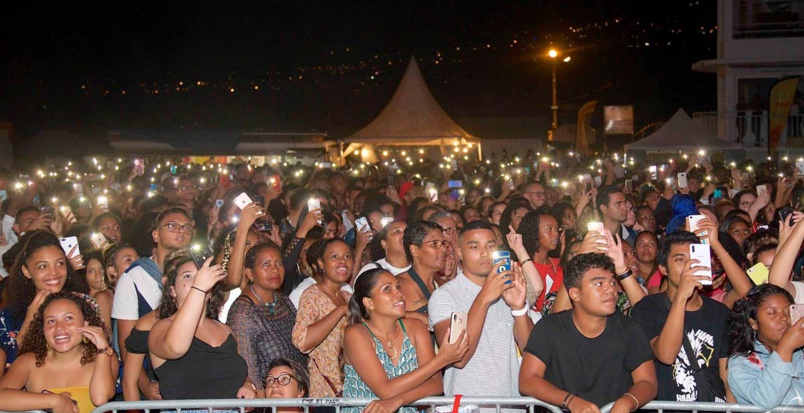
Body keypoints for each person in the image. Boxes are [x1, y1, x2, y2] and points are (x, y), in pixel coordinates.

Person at [519, 253, 657, 410]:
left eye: (612, 283)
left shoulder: (630, 330)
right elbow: (527, 380)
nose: (610, 289)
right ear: (575, 294)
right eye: (599, 284)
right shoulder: (549, 328)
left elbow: (648, 382)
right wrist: (570, 401)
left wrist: (627, 402)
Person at [428, 221, 531, 411]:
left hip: (510, 405)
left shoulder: (510, 289)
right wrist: (484, 297)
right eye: (474, 247)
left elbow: (532, 350)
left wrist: (519, 308)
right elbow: (458, 357)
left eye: (490, 246)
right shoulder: (445, 295)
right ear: (459, 252)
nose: (484, 253)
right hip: (467, 406)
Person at [341, 268, 468, 413]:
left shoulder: (416, 328)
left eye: (398, 287)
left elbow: (436, 384)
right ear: (369, 303)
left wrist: (399, 400)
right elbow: (386, 391)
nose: (399, 293)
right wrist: (441, 360)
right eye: (387, 289)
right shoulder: (356, 334)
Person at [630, 231, 734, 402]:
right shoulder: (648, 307)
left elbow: (726, 377)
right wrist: (681, 297)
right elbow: (666, 355)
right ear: (663, 268)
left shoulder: (720, 312)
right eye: (680, 260)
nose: (689, 266)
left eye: (694, 259)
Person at [147, 249, 257, 401]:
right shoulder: (161, 328)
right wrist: (198, 288)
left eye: (200, 276)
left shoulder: (224, 329)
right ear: (172, 291)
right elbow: (176, 348)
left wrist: (248, 385)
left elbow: (241, 374)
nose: (197, 279)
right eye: (187, 276)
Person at [0, 291, 118, 413]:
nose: (59, 327)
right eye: (51, 321)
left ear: (85, 323)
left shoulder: (105, 357)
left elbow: (100, 399)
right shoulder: (28, 361)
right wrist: (55, 401)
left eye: (68, 318)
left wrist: (103, 349)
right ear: (43, 329)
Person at [113, 207, 193, 360]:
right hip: (148, 367)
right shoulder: (134, 277)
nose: (180, 231)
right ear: (156, 235)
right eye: (172, 226)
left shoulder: (198, 272)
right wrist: (143, 383)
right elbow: (127, 344)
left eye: (186, 227)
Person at [0, 231, 90, 368]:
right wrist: (29, 320)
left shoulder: (85, 305)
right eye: (43, 266)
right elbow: (7, 366)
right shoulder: (9, 317)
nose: (54, 272)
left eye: (60, 263)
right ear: (26, 271)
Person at [227, 242, 307, 393]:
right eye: (266, 264)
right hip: (268, 399)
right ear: (250, 274)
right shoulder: (243, 313)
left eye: (279, 263)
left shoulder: (283, 300)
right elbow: (248, 373)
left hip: (296, 395)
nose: (275, 270)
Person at [292, 238, 353, 399]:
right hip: (325, 392)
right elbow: (301, 341)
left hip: (350, 387)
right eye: (334, 257)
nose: (342, 261)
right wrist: (340, 311)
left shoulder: (348, 296)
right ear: (321, 263)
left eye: (347, 256)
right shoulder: (312, 295)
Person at [727, 284, 804, 408]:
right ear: (754, 323)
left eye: (788, 311)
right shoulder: (741, 362)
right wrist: (785, 349)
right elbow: (767, 399)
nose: (784, 318)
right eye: (772, 313)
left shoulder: (800, 353)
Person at [397, 221, 447, 328]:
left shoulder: (443, 285)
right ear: (414, 250)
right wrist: (417, 316)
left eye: (443, 243)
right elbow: (381, 319)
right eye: (435, 244)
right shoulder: (398, 286)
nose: (443, 249)